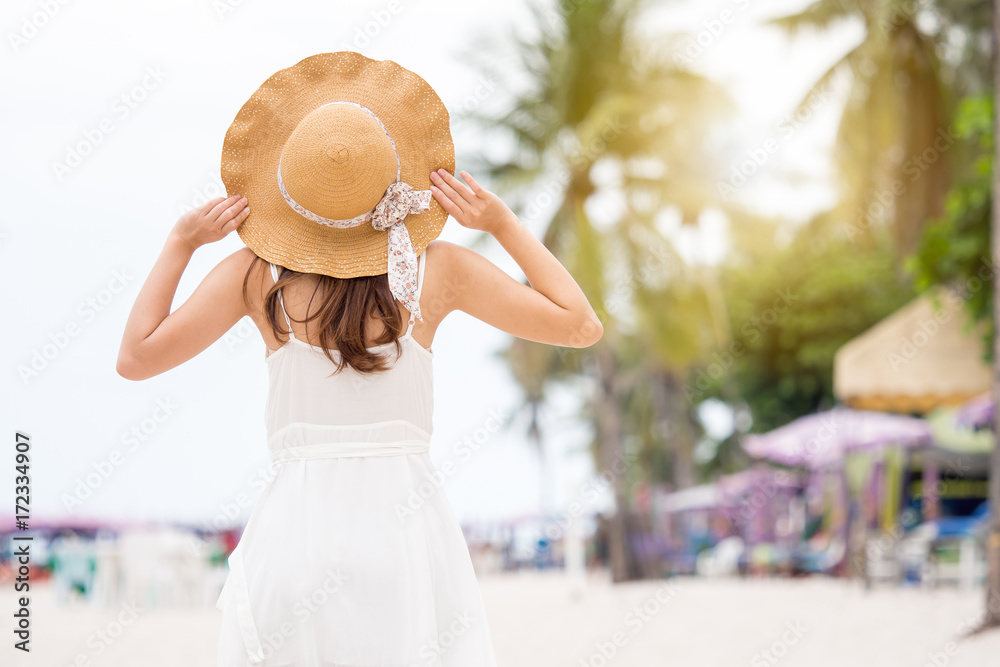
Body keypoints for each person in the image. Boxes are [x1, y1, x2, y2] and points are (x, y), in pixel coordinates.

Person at [116, 52, 602, 666]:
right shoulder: (437, 273)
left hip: (295, 540)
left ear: (290, 193)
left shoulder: (255, 278)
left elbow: (135, 358)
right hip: (404, 541)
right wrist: (501, 223)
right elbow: (580, 325)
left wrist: (180, 244)